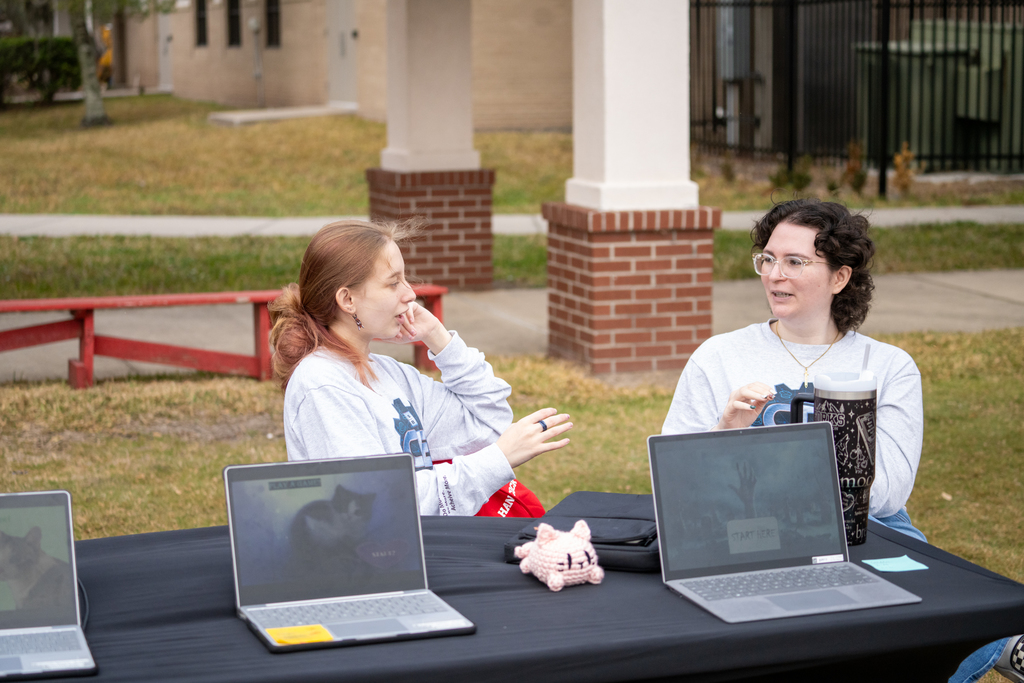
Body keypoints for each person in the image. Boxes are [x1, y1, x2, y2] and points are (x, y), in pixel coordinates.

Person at [660, 198, 1019, 683]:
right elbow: (677, 488)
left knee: (940, 620)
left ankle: (998, 646)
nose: (773, 275)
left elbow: (886, 494)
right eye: (767, 259)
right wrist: (726, 431)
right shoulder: (719, 356)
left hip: (869, 530)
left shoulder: (889, 367)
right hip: (749, 531)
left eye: (795, 262)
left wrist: (775, 466)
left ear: (839, 278)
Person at [269, 218, 572, 517]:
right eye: (393, 282)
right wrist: (497, 460)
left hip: (422, 550)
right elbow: (378, 507)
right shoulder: (322, 385)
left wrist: (438, 337)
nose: (410, 294)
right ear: (347, 299)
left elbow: (489, 424)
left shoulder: (388, 373)